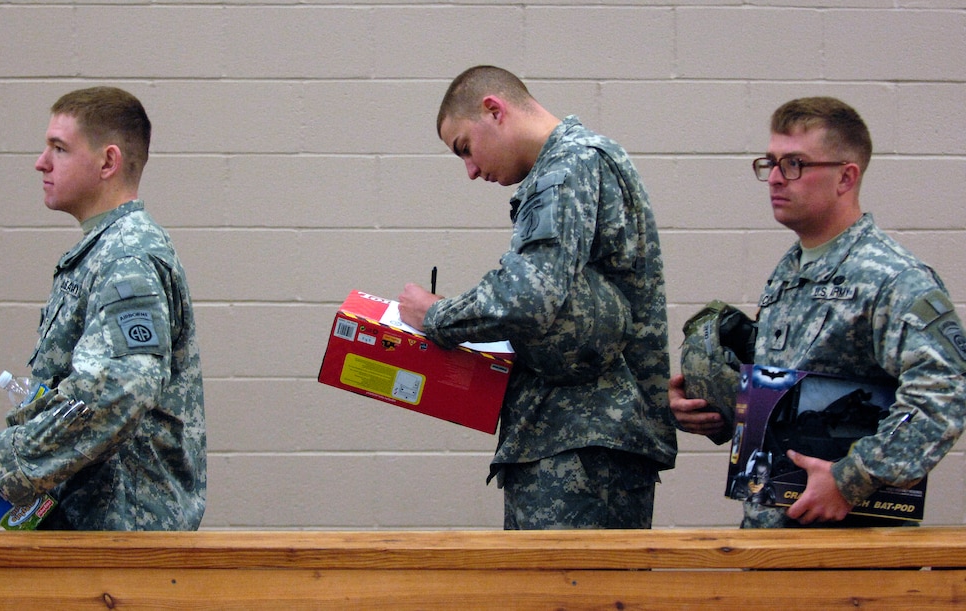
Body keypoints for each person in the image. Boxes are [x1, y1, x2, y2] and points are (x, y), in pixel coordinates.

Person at [398, 65, 677, 529]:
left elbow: (530, 296)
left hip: (581, 444)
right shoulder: (574, 164)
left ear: (494, 110)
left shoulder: (569, 166)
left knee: (566, 596)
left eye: (465, 148)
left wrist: (437, 315)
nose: (469, 171)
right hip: (579, 440)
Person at [670, 96, 966, 527]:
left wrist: (851, 478)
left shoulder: (892, 278)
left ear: (846, 177)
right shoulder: (791, 270)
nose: (774, 178)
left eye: (794, 164)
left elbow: (944, 393)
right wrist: (713, 408)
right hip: (773, 529)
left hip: (848, 550)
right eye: (769, 163)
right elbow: (790, 384)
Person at [0, 86, 207, 530]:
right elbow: (85, 393)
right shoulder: (103, 252)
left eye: (59, 148)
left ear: (108, 162)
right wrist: (6, 473)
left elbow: (121, 389)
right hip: (93, 535)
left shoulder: (126, 258)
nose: (41, 162)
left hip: (121, 546)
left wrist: (3, 459)